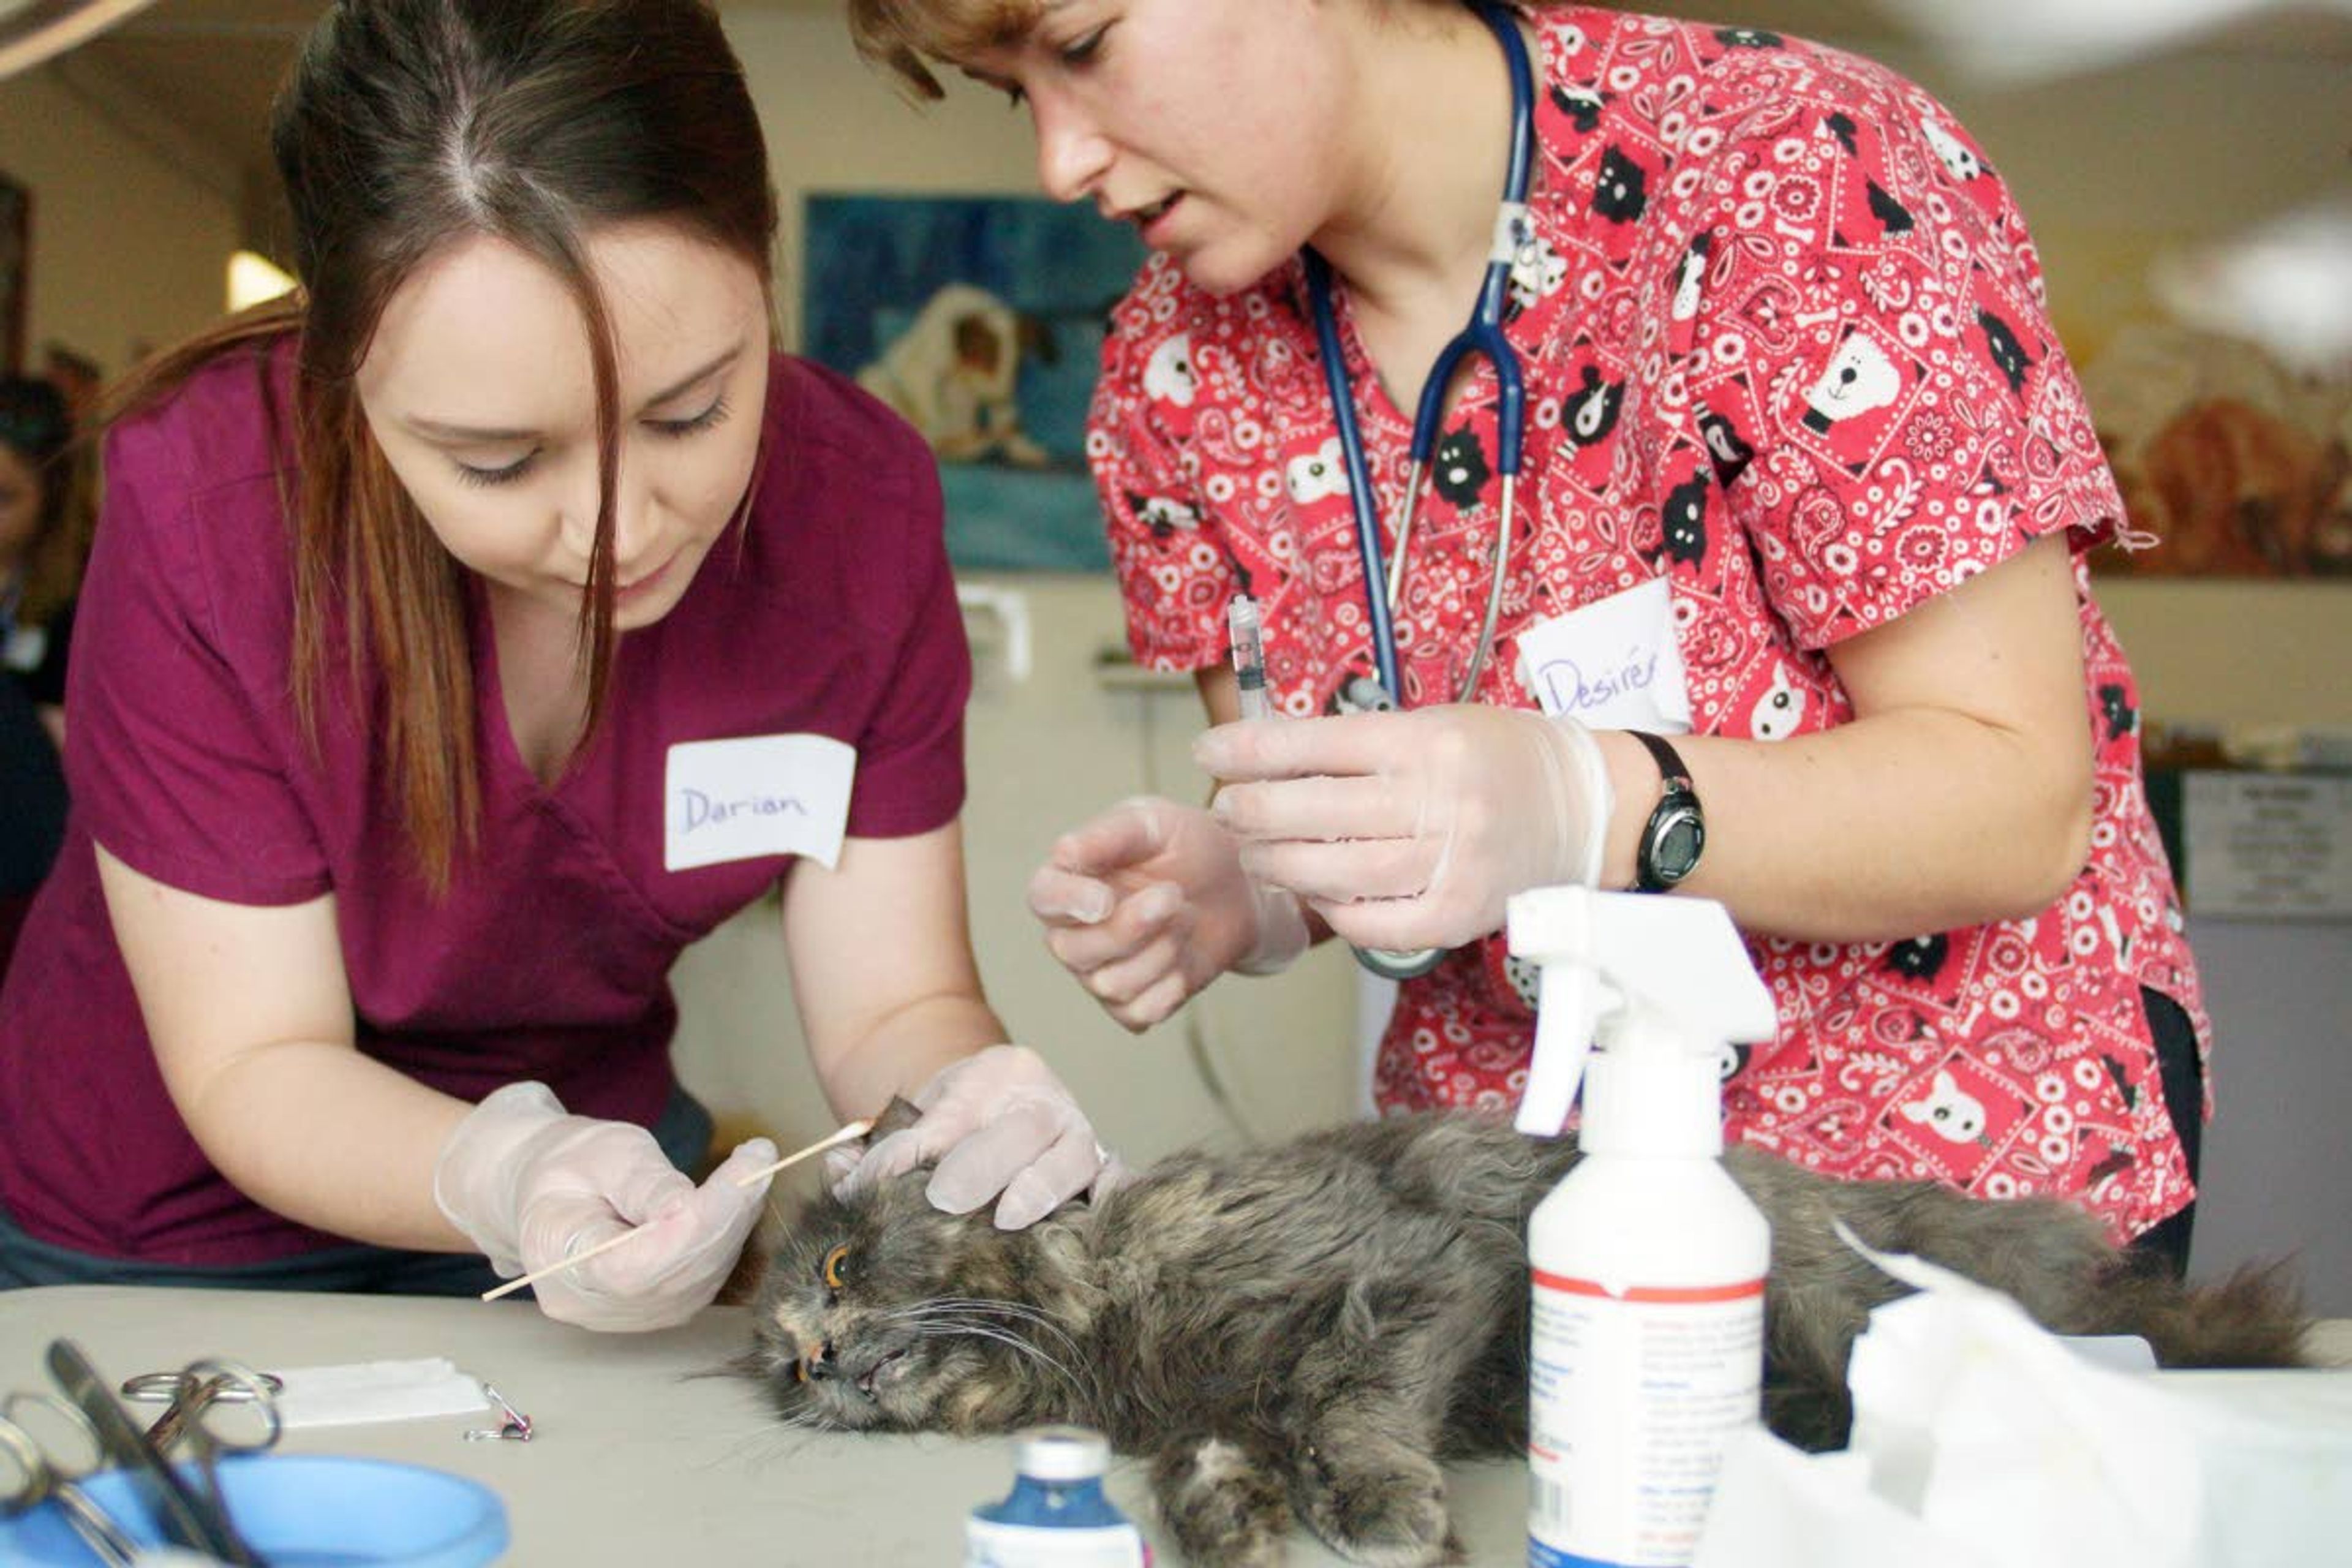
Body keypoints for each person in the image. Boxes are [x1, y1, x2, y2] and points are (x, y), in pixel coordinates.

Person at [847, 0, 2209, 1267]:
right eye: (1001, 88)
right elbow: (1380, 812)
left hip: (1952, 1179)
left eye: (1081, 44)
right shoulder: (1174, 365)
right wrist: (1263, 879)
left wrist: (1583, 795)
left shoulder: (1794, 169)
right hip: (1512, 1213)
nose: (1058, 158)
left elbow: (2017, 800)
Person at [0, 0, 1115, 1329]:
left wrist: (967, 1098)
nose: (617, 532)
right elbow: (257, 1055)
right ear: (341, 376)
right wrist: (503, 1165)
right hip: (160, 1230)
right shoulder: (210, 500)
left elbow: (897, 996)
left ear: (764, 270)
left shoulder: (858, 507)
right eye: (497, 459)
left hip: (600, 1193)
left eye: (692, 411)